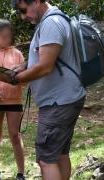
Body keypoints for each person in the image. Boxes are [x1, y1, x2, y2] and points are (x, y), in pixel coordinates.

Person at [11, 0, 86, 180]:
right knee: (59, 154)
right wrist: (24, 66)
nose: (23, 16)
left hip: (58, 102)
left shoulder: (51, 23)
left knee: (46, 160)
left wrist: (16, 79)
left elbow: (45, 66)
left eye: (23, 10)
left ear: (36, 1)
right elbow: (46, 57)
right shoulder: (54, 19)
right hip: (66, 98)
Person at [0, 19, 26, 180]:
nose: (7, 40)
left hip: (14, 101)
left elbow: (25, 78)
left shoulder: (17, 54)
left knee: (15, 135)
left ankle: (21, 172)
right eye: (4, 37)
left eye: (9, 37)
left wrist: (17, 78)